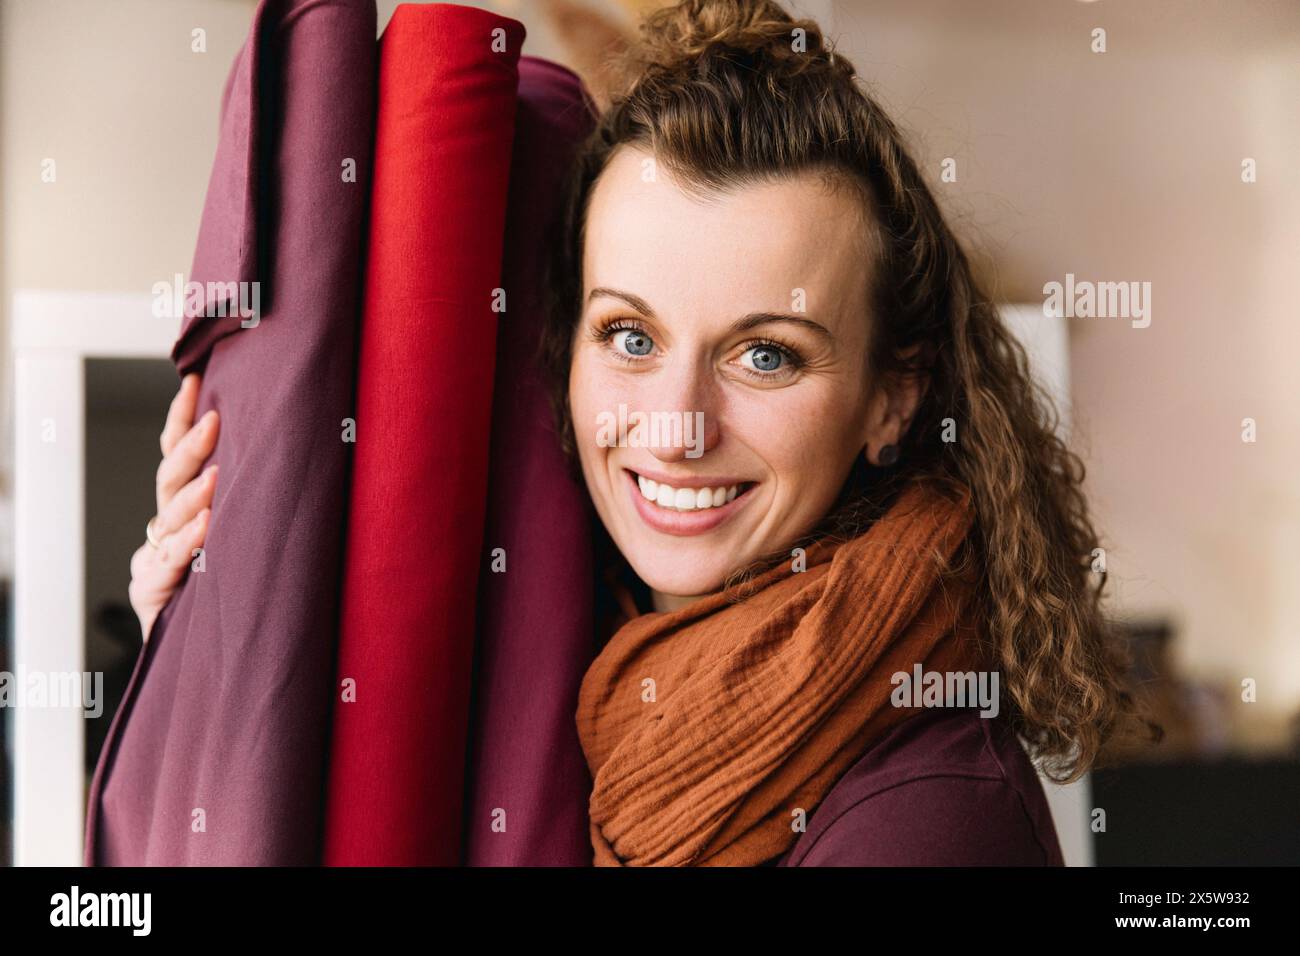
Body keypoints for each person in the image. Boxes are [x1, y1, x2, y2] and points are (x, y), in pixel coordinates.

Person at [129, 0, 1158, 866]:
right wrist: (198, 656)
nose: (673, 425)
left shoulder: (927, 817)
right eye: (628, 334)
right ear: (561, 345)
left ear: (894, 397)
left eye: (767, 354)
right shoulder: (577, 648)